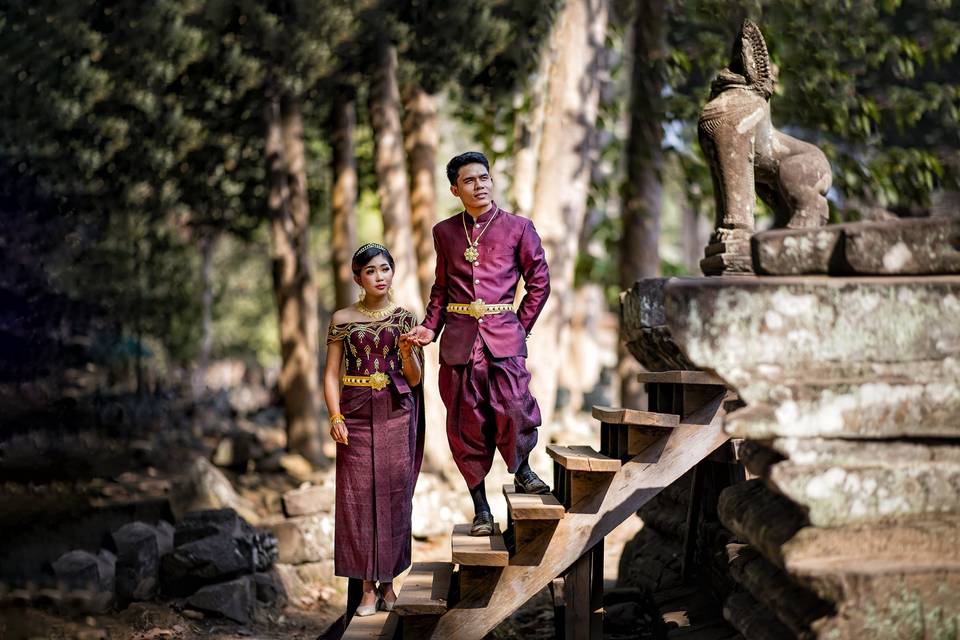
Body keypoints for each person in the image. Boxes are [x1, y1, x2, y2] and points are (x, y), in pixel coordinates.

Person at [402, 151, 551, 537]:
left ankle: (522, 470)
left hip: (504, 340)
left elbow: (539, 281)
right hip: (459, 343)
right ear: (455, 189)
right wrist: (428, 329)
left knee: (516, 406)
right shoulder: (445, 232)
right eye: (469, 181)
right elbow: (441, 289)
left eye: (484, 178)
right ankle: (481, 509)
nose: (479, 185)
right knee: (466, 425)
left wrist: (520, 325)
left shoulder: (519, 228)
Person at [323, 243, 424, 616]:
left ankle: (389, 584)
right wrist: (335, 416)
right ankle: (366, 589)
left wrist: (405, 350)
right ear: (357, 278)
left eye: (385, 269)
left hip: (397, 412)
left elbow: (413, 379)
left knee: (395, 495)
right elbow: (331, 374)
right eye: (370, 271)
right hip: (356, 413)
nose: (379, 277)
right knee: (358, 499)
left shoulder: (405, 318)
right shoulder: (342, 319)